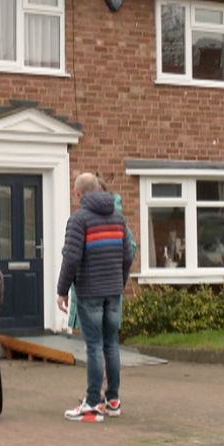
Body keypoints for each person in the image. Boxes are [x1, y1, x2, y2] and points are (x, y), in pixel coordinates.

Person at [57, 172, 134, 422]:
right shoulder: (118, 218)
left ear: (78, 192)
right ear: (99, 188)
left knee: (94, 346)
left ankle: (92, 404)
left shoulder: (79, 220)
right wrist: (119, 283)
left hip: (90, 291)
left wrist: (62, 290)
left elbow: (71, 257)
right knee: (111, 344)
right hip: (113, 291)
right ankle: (113, 400)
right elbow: (127, 256)